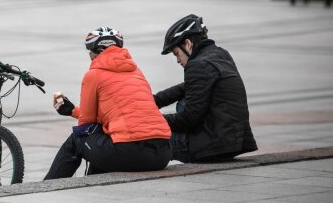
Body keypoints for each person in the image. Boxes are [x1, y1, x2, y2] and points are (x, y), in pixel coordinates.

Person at [44, 27, 172, 180]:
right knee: (103, 137)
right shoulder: (136, 72)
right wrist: (72, 111)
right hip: (163, 153)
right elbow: (115, 114)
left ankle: (46, 187)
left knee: (77, 139)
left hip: (131, 154)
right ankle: (94, 185)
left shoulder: (93, 75)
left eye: (90, 52)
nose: (90, 56)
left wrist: (78, 115)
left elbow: (86, 124)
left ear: (97, 51)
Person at [154, 15, 258, 163]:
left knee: (152, 139)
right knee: (185, 100)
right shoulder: (220, 55)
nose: (177, 60)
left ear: (188, 44)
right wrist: (154, 100)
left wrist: (154, 120)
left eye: (176, 53)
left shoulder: (197, 65)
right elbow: (187, 87)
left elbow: (188, 118)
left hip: (211, 147)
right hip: (233, 144)